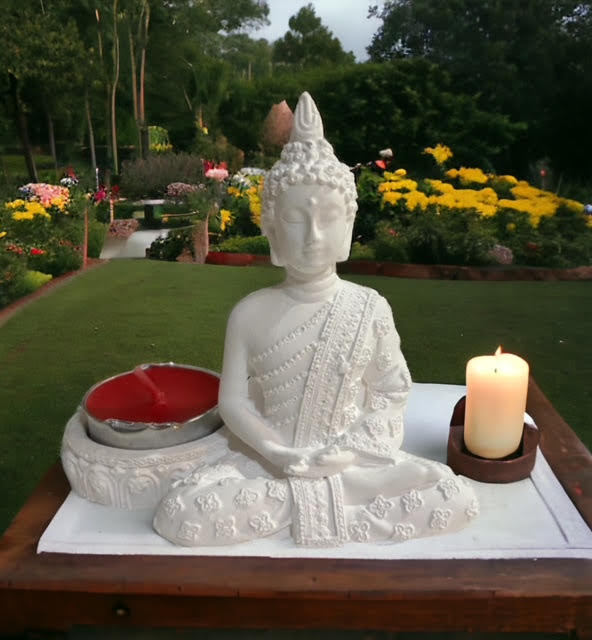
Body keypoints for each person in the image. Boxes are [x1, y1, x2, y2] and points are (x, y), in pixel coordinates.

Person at [153, 93, 477, 547]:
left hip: (350, 458)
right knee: (183, 513)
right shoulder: (249, 313)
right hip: (270, 464)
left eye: (328, 217)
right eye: (294, 219)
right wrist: (277, 453)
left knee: (452, 496)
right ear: (270, 228)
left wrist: (347, 453)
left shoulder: (368, 307)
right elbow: (235, 404)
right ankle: (343, 497)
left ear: (349, 225)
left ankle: (334, 491)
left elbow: (391, 392)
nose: (312, 235)